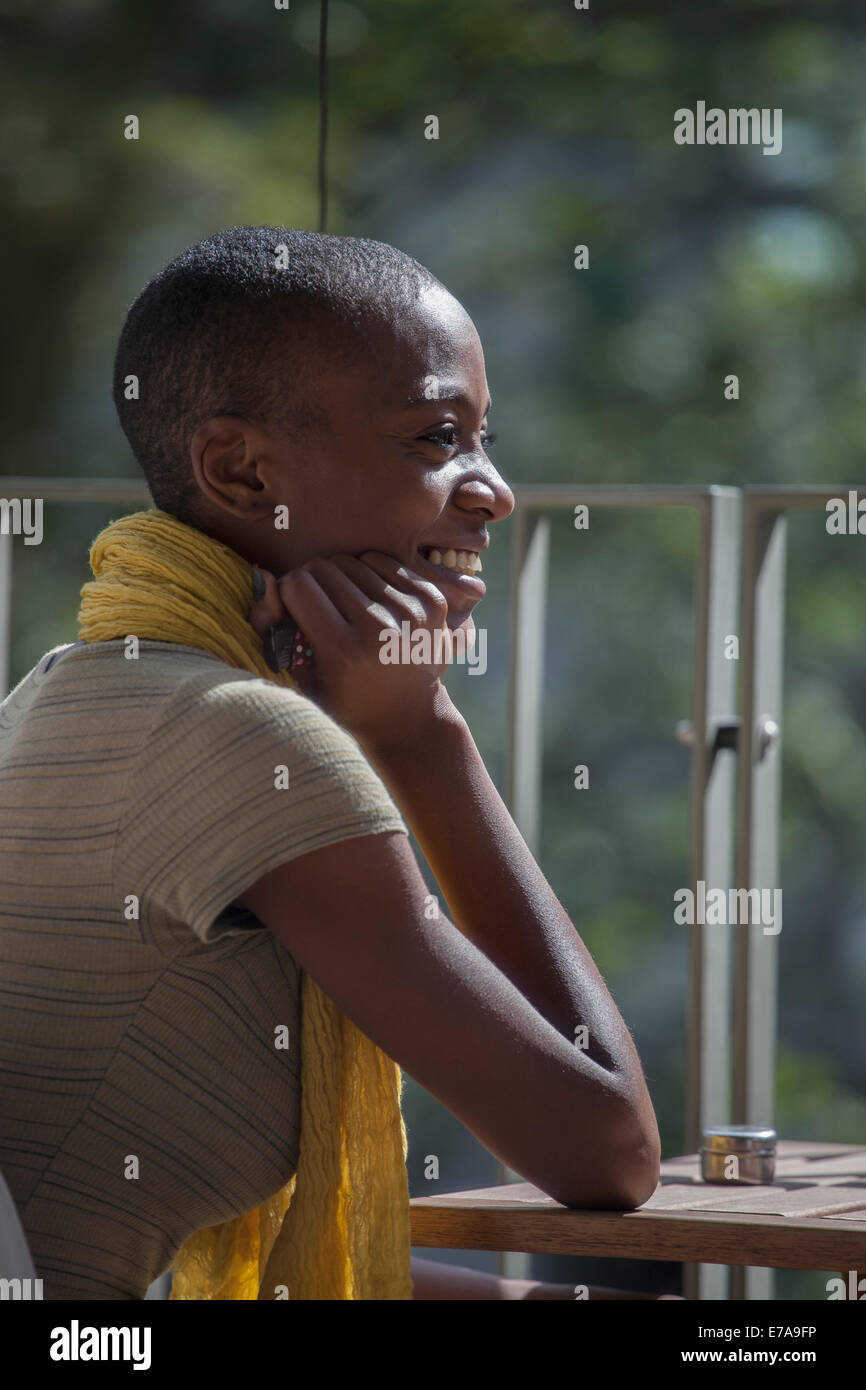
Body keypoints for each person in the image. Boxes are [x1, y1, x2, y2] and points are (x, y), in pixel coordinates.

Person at [0, 226, 665, 1300]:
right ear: (239, 468)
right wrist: (420, 737)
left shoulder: (65, 684)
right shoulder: (248, 738)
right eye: (436, 437)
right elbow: (608, 1152)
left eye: (484, 439)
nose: (490, 489)